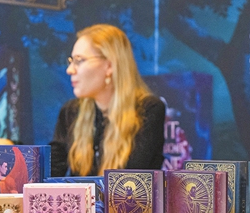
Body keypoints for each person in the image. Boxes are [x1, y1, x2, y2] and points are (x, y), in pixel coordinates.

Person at [50, 24, 165, 177]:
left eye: (79, 61)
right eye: (71, 61)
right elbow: (50, 170)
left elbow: (131, 181)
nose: (70, 70)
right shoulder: (71, 112)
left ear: (110, 65)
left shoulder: (148, 110)